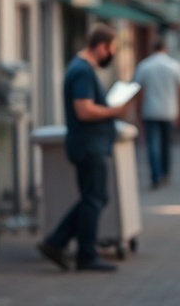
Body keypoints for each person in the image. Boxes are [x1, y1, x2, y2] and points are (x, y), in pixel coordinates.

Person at [38, 23, 132, 272]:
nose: (111, 55)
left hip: (89, 144)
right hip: (89, 146)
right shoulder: (82, 71)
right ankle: (79, 251)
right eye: (111, 49)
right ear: (101, 47)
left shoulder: (81, 69)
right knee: (94, 198)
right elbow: (84, 109)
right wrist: (114, 111)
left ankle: (60, 244)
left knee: (94, 197)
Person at [133, 38, 180, 189]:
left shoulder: (144, 66)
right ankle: (165, 173)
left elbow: (138, 90)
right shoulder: (174, 65)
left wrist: (138, 110)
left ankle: (155, 175)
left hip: (150, 110)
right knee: (166, 144)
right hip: (169, 110)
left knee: (153, 144)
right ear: (165, 48)